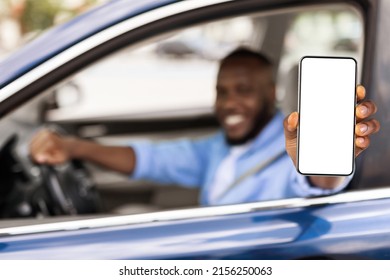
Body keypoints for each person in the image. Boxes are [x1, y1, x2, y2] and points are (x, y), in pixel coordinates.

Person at [29, 48, 380, 206]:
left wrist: (327, 163)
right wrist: (75, 148)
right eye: (221, 91)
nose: (229, 103)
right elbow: (151, 158)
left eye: (243, 91)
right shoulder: (217, 148)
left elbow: (318, 184)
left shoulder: (291, 152)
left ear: (271, 94)